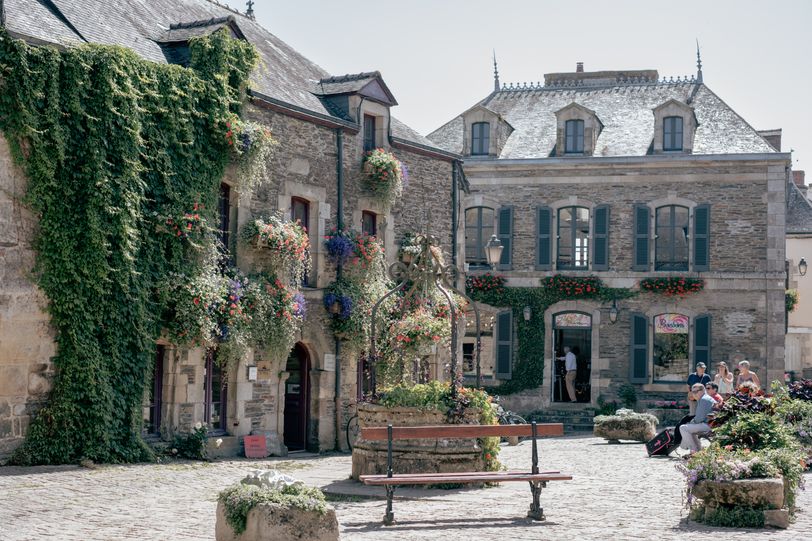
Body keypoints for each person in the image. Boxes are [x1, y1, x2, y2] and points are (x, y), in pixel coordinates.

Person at [679, 383, 715, 455]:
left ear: (702, 390)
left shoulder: (704, 399)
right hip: (710, 424)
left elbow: (699, 419)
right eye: (693, 392)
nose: (694, 394)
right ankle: (698, 450)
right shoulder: (704, 398)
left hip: (710, 425)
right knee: (690, 428)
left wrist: (691, 423)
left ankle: (694, 451)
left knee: (683, 428)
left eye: (695, 392)